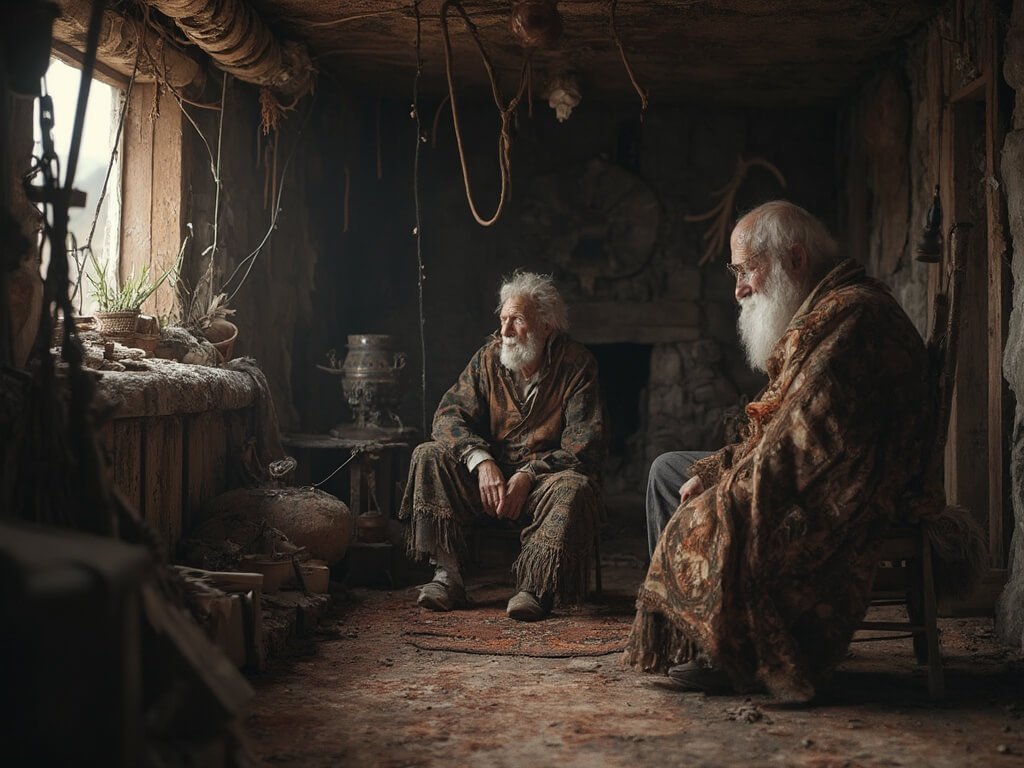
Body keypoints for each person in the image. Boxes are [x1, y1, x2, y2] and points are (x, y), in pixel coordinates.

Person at [625, 201, 932, 701]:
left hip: (844, 492)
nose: (739, 287)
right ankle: (703, 635)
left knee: (704, 494)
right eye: (736, 271)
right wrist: (718, 468)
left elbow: (803, 445)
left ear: (794, 258)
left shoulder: (855, 317)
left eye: (747, 269)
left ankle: (732, 653)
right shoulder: (827, 310)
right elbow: (786, 427)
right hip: (815, 472)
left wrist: (726, 481)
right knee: (667, 470)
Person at [399, 271, 606, 621]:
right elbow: (448, 417)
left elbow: (584, 447)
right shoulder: (487, 359)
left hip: (543, 482)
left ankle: (535, 586)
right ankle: (447, 577)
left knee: (575, 487)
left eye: (518, 320)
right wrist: (480, 461)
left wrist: (529, 473)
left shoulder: (577, 365)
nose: (506, 331)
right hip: (488, 483)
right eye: (503, 320)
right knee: (428, 454)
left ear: (546, 326)